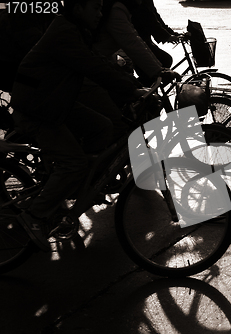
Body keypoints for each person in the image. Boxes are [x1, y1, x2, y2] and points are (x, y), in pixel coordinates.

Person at [10, 0, 177, 251]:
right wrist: (131, 89)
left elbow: (99, 60)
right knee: (73, 163)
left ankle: (80, 184)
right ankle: (34, 217)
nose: (101, 13)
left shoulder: (76, 28)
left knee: (103, 126)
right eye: (96, 8)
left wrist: (130, 81)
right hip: (37, 106)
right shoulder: (64, 32)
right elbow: (93, 67)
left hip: (55, 99)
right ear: (79, 7)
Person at [94, 0, 179, 87]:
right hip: (95, 65)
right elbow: (132, 42)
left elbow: (153, 15)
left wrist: (168, 33)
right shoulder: (116, 9)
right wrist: (158, 71)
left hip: (104, 59)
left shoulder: (121, 7)